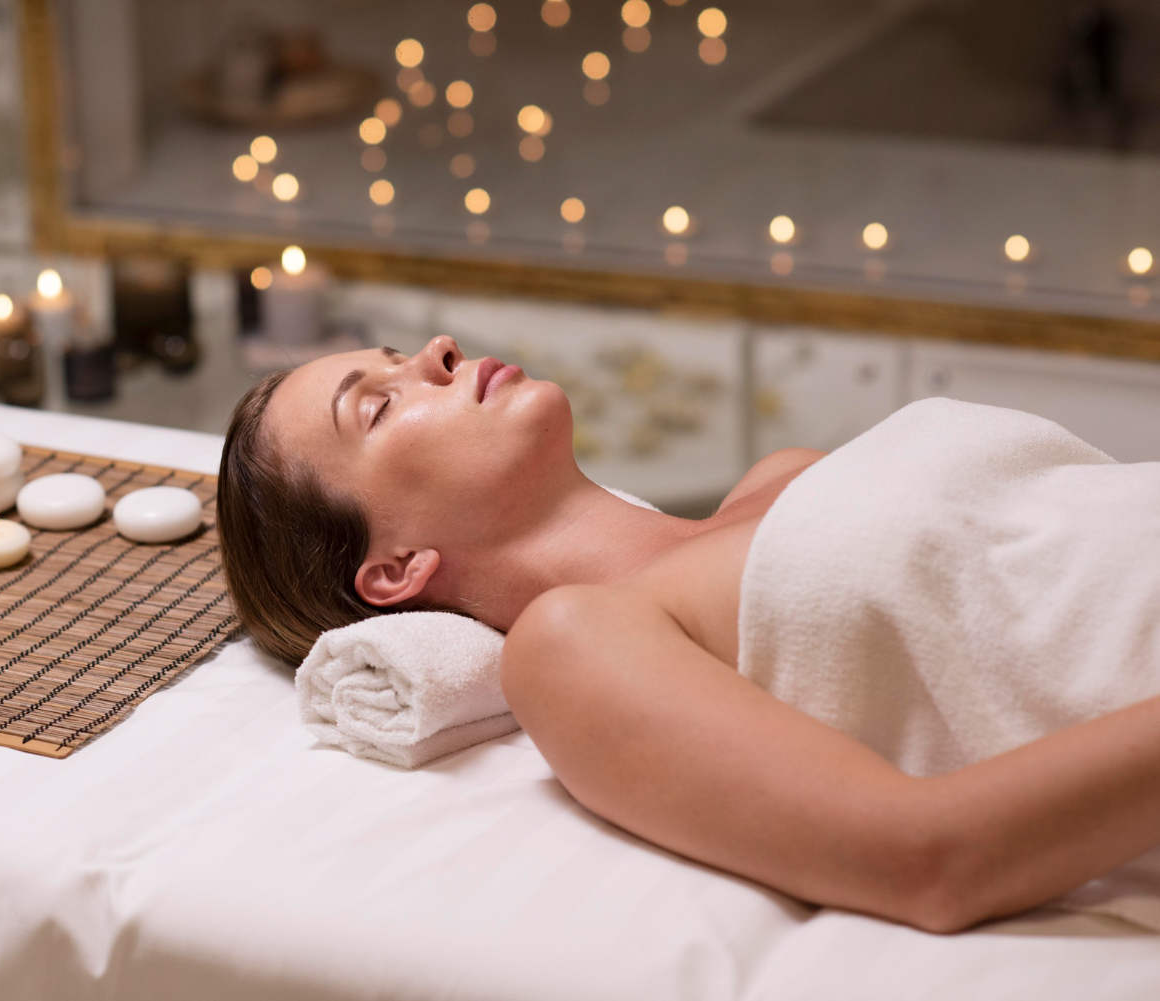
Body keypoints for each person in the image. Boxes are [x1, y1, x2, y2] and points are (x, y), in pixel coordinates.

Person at [216, 335, 1160, 934]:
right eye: (376, 404)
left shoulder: (784, 472)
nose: (437, 349)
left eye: (395, 352)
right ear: (394, 569)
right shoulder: (576, 644)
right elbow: (930, 860)